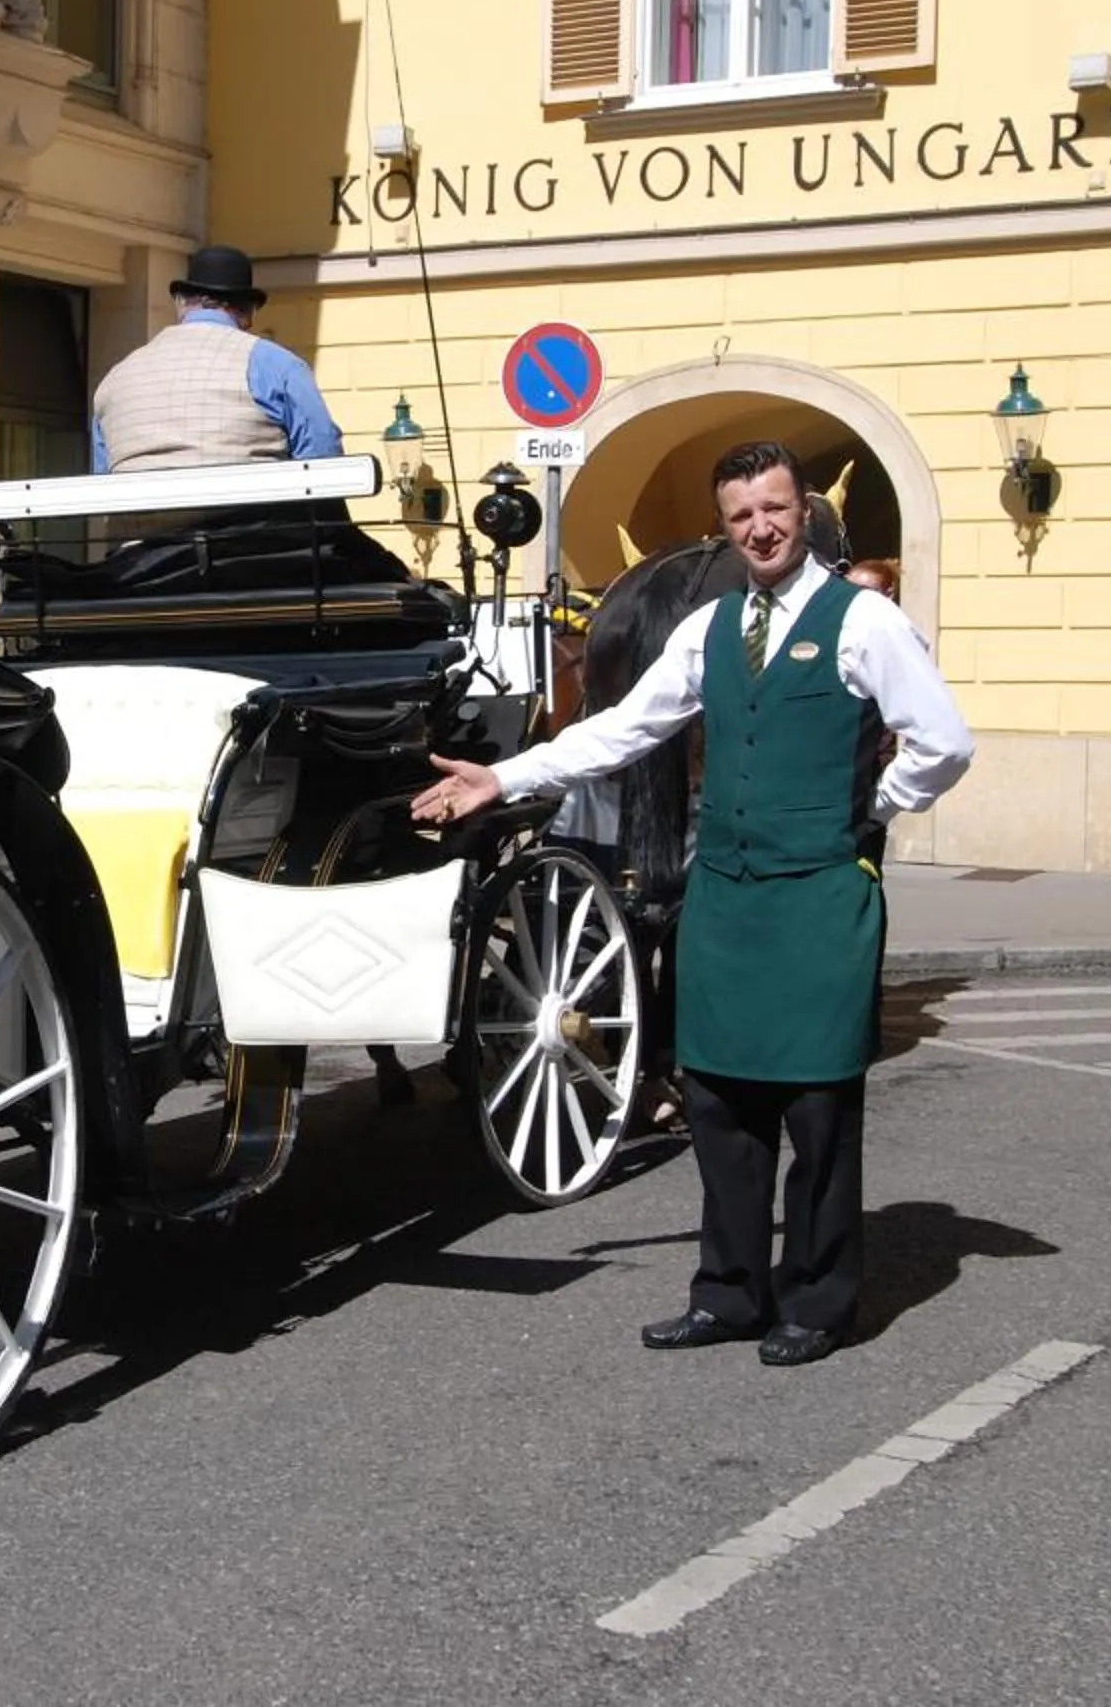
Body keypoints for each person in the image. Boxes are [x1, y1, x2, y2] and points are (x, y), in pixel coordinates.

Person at [415, 441, 973, 1368]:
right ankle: (728, 1295)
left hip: (819, 897)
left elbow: (944, 743)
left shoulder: (863, 623)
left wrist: (869, 806)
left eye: (775, 509)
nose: (760, 528)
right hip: (723, 898)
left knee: (817, 1113)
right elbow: (625, 729)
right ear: (726, 526)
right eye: (742, 515)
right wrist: (502, 775)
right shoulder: (709, 627)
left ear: (806, 515)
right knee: (719, 1106)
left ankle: (820, 1304)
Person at [89, 244, 343, 473]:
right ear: (248, 313)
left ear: (181, 304)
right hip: (249, 521)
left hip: (135, 522)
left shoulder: (116, 378)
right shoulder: (275, 365)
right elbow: (322, 453)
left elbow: (101, 475)